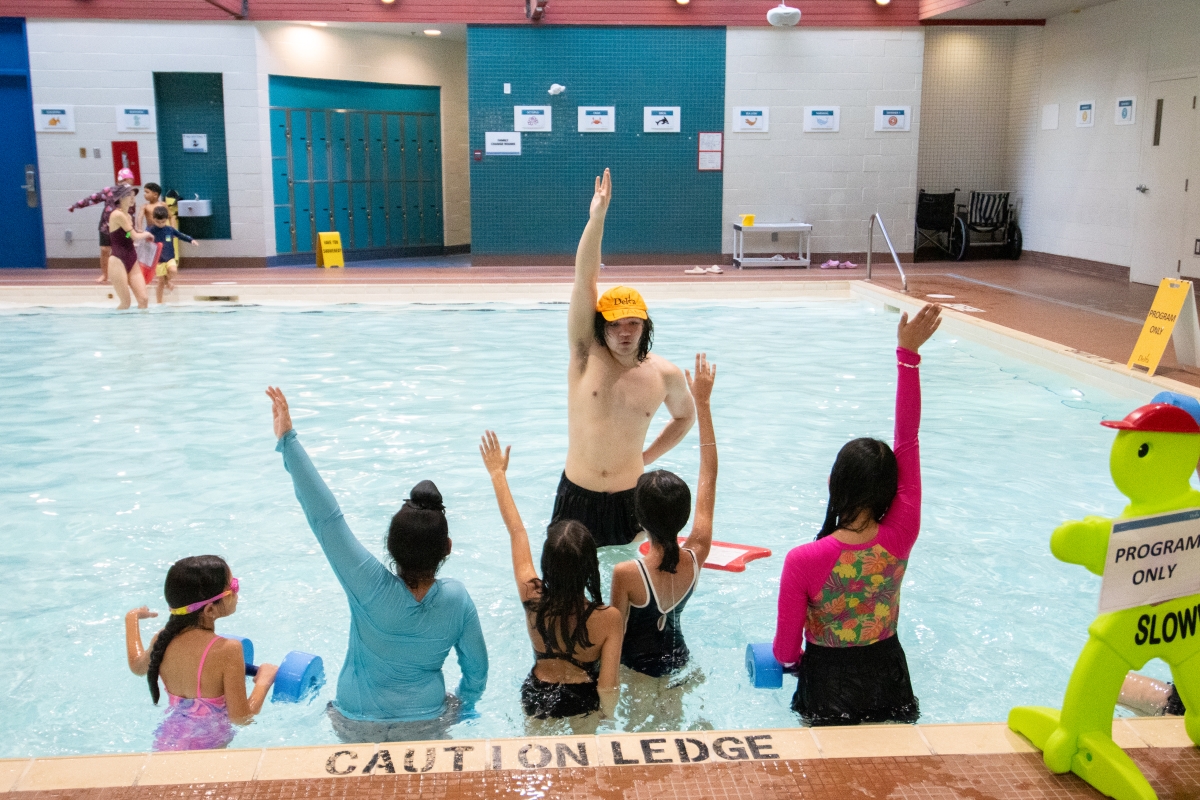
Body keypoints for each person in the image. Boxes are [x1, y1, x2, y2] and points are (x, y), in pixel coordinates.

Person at [267, 387, 487, 742]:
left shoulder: (367, 584)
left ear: (390, 546)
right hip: (428, 721)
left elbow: (326, 517)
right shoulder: (457, 600)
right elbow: (476, 674)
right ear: (447, 548)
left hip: (355, 721)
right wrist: (465, 706)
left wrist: (288, 440)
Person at [773, 303, 942, 726]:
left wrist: (790, 665)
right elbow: (908, 438)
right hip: (889, 676)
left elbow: (786, 654)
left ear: (834, 482)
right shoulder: (902, 533)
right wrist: (908, 356)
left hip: (828, 684)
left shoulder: (803, 560)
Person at [556, 168, 696, 547]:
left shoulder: (664, 374)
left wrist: (646, 457)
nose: (624, 332)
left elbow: (685, 417)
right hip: (577, 496)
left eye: (633, 323)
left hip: (632, 501)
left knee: (628, 581)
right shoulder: (585, 355)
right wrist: (597, 219)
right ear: (601, 326)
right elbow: (584, 280)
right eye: (615, 324)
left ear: (645, 326)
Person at [480, 430, 623, 722]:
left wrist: (497, 474)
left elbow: (517, 532)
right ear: (589, 567)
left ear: (547, 564)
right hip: (583, 697)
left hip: (537, 692)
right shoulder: (608, 619)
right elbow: (608, 686)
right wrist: (607, 717)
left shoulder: (531, 596)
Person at [610, 353, 717, 679]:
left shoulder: (627, 573)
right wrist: (703, 404)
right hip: (680, 662)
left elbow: (614, 635)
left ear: (640, 520)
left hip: (636, 673)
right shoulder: (697, 555)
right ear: (684, 516)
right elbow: (709, 475)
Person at [125, 555, 278, 751]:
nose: (236, 591)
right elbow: (242, 718)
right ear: (210, 609)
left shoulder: (162, 640)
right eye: (233, 586)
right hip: (206, 752)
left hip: (167, 742)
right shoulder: (227, 650)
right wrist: (264, 681)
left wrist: (131, 618)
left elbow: (136, 666)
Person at [69, 168, 135, 284]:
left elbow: (132, 212)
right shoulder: (109, 191)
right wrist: (76, 205)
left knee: (125, 249)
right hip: (106, 226)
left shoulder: (130, 194)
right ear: (119, 181)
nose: (127, 183)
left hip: (123, 228)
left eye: (129, 181)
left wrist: (130, 231)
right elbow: (92, 199)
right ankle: (105, 274)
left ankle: (126, 274)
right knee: (105, 250)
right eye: (125, 180)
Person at [107, 185, 154, 310]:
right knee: (125, 303)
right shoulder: (117, 215)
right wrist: (147, 234)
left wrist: (138, 237)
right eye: (129, 195)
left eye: (133, 195)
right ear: (120, 198)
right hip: (117, 259)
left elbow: (128, 236)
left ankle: (142, 323)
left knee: (143, 300)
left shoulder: (128, 216)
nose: (132, 198)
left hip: (131, 257)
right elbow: (134, 236)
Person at [148, 205, 198, 303]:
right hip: (158, 260)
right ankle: (159, 302)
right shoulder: (151, 230)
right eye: (158, 222)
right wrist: (128, 236)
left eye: (163, 222)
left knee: (173, 270)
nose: (160, 224)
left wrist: (190, 240)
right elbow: (140, 235)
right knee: (160, 282)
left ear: (166, 219)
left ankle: (167, 281)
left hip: (170, 257)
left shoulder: (169, 229)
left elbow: (180, 235)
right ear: (153, 219)